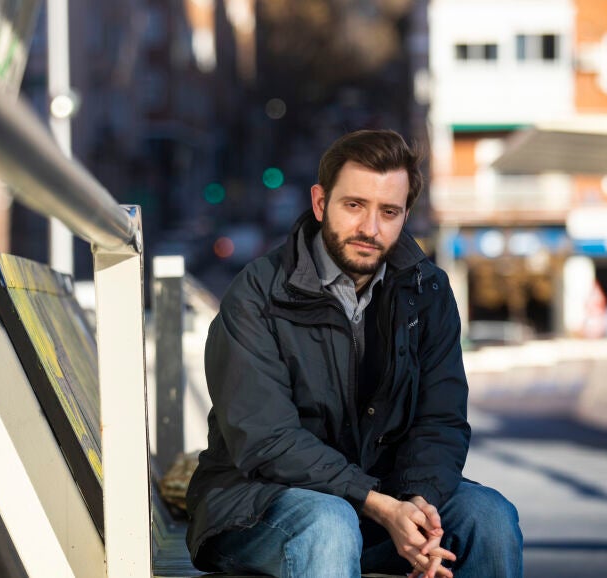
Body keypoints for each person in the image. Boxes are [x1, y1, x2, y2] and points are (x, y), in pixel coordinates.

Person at [184, 129, 522, 578]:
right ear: (321, 203)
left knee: (489, 518)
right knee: (330, 524)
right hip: (257, 506)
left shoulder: (427, 291)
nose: (370, 228)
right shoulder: (258, 294)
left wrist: (420, 505)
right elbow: (266, 440)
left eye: (388, 212)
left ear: (405, 216)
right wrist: (376, 503)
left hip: (382, 502)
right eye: (354, 205)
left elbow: (440, 419)